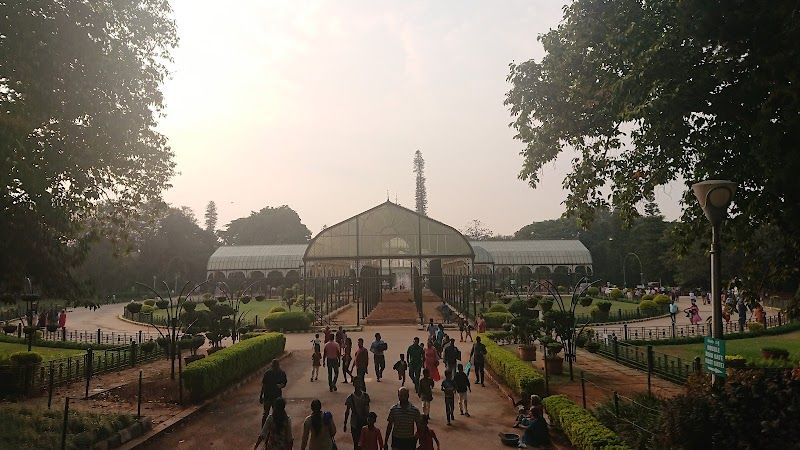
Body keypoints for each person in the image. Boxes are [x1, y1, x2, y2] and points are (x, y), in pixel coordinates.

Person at [344, 379, 371, 450]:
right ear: (354, 385)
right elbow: (367, 410)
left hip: (355, 422)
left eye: (359, 383)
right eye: (357, 383)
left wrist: (345, 423)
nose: (358, 385)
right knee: (359, 443)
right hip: (361, 422)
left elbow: (347, 412)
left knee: (359, 443)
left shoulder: (350, 398)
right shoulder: (365, 396)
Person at [260, 359, 288, 425]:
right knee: (277, 413)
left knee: (265, 414)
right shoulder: (282, 373)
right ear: (278, 365)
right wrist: (280, 386)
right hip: (277, 397)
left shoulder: (267, 373)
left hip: (267, 396)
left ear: (271, 365)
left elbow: (263, 386)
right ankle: (276, 429)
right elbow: (284, 383)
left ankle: (264, 430)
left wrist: (261, 396)